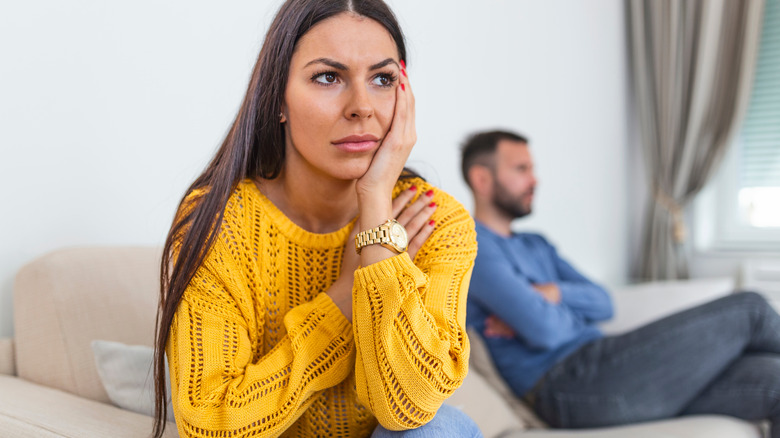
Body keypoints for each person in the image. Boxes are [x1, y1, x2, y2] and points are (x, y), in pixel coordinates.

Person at [151, 1, 481, 437]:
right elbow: (211, 423)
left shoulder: (435, 219)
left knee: (437, 430)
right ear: (278, 98)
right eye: (328, 77)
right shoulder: (217, 222)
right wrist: (343, 301)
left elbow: (409, 409)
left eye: (383, 79)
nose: (362, 106)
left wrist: (377, 225)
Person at [461, 129, 780, 435]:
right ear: (482, 179)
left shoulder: (536, 244)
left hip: (606, 364)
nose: (535, 179)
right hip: (569, 382)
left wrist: (555, 293)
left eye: (533, 168)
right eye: (521, 169)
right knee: (750, 309)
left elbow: (604, 302)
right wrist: (550, 311)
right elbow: (546, 332)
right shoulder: (474, 248)